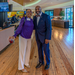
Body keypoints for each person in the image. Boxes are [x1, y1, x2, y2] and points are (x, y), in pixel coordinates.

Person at [33, 6, 52, 70]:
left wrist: (47, 38)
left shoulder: (46, 16)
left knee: (46, 51)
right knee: (39, 50)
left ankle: (48, 63)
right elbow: (35, 27)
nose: (37, 10)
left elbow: (49, 28)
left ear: (41, 9)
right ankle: (41, 62)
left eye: (38, 9)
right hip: (38, 37)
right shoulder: (34, 17)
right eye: (36, 9)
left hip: (44, 37)